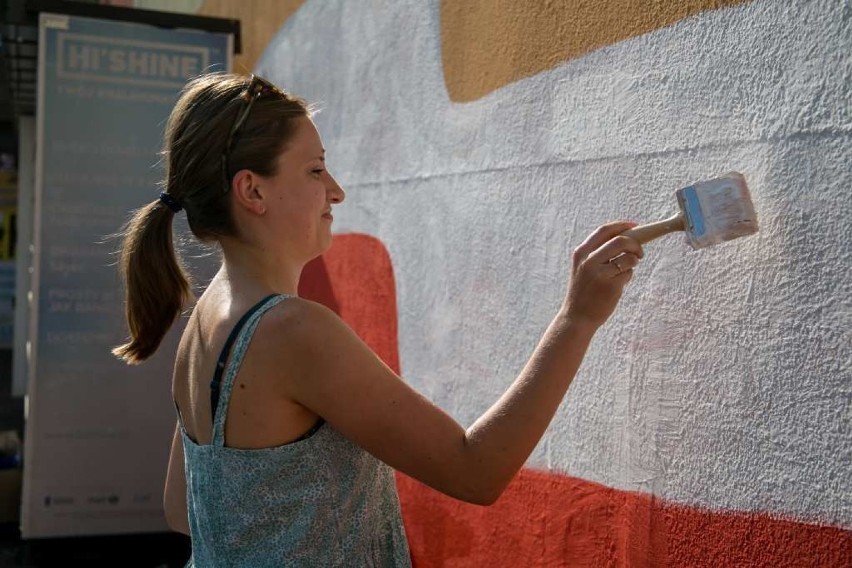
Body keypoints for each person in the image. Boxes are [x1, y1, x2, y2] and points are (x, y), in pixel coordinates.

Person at [113, 72, 643, 567]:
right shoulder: (292, 331)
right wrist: (577, 318)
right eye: (316, 170)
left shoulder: (206, 323)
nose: (336, 191)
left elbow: (181, 509)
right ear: (252, 191)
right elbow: (476, 470)